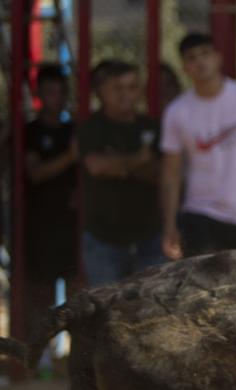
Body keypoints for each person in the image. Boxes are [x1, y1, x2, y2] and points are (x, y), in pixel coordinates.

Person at [160, 32, 236, 260]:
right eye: (192, 58)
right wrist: (170, 226)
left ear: (218, 58)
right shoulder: (177, 112)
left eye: (205, 54)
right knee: (202, 293)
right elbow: (170, 175)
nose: (201, 62)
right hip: (202, 214)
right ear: (185, 68)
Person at [77, 59, 165, 287]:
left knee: (150, 313)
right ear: (101, 92)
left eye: (132, 87)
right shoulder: (91, 128)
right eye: (117, 88)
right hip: (103, 240)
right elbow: (97, 167)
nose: (126, 95)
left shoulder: (153, 126)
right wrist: (139, 160)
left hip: (150, 238)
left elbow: (161, 175)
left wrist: (118, 164)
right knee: (105, 313)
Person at [23, 64, 80, 360]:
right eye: (48, 91)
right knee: (41, 294)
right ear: (38, 95)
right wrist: (70, 157)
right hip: (40, 224)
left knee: (76, 294)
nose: (55, 98)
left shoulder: (75, 130)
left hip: (72, 226)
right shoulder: (29, 132)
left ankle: (72, 358)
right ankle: (41, 357)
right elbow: (35, 173)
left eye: (60, 92)